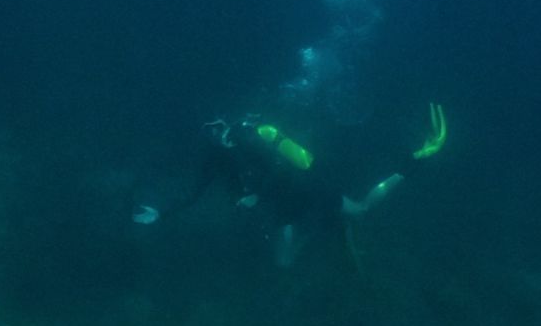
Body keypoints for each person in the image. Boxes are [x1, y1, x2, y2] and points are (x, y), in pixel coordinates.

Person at [160, 104, 447, 268]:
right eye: (208, 131)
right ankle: (320, 229)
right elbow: (195, 193)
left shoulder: (254, 136)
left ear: (226, 121)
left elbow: (292, 166)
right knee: (283, 263)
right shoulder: (216, 159)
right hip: (284, 202)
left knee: (360, 210)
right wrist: (161, 213)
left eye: (217, 125)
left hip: (308, 186)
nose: (215, 134)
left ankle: (417, 159)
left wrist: (254, 195)